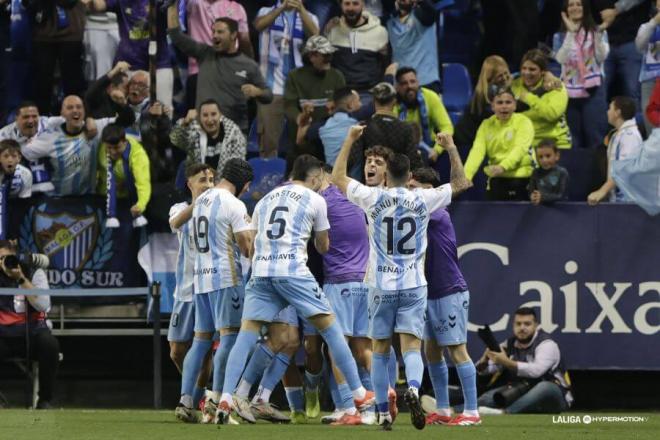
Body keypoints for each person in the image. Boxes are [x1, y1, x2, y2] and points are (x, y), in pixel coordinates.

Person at [215, 154, 374, 425]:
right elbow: (323, 245)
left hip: (262, 271)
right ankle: (358, 396)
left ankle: (226, 399)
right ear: (314, 178)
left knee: (247, 335)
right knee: (332, 329)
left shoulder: (265, 199)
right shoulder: (316, 199)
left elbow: (252, 244)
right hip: (293, 271)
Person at [332, 126, 472, 430]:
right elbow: (462, 182)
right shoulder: (423, 200)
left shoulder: (371, 197)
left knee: (380, 350)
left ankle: (383, 410)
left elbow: (338, 178)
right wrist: (449, 147)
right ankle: (412, 387)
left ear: (387, 175)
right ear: (408, 173)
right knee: (411, 347)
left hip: (380, 285)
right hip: (413, 285)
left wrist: (350, 141)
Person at [175, 158, 254, 423]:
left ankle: (185, 400)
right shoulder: (234, 204)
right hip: (226, 279)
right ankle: (216, 401)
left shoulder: (201, 201)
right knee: (229, 341)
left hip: (201, 280)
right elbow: (246, 248)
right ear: (245, 185)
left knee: (200, 342)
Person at [407, 166, 480, 427]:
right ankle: (443, 409)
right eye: (409, 188)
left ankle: (472, 411)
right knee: (432, 352)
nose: (410, 194)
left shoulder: (436, 213)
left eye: (415, 189)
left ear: (431, 192)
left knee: (458, 351)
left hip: (449, 290)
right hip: (427, 292)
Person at [167, 3, 273, 133]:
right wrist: (172, 6)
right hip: (205, 133)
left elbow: (268, 95)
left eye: (220, 32)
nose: (214, 36)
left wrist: (257, 92)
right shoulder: (204, 54)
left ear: (234, 35)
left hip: (234, 134)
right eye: (213, 32)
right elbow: (176, 36)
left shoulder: (248, 65)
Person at [168, 163, 215, 416]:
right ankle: (201, 392)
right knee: (176, 351)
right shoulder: (180, 208)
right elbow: (175, 223)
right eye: (202, 180)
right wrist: (199, 204)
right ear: (190, 184)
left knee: (205, 351)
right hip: (184, 292)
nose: (208, 184)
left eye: (211, 179)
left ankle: (192, 401)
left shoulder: (218, 210)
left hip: (207, 289)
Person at [21, 95, 127, 196]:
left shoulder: (96, 128)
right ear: (62, 113)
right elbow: (22, 152)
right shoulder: (50, 138)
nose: (75, 110)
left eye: (79, 107)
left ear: (84, 112)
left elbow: (128, 120)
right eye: (70, 107)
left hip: (88, 199)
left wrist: (122, 104)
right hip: (58, 199)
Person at [476, 307, 573, 415]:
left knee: (545, 387)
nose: (522, 328)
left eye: (527, 324)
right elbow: (488, 370)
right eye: (518, 324)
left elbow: (536, 371)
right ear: (513, 325)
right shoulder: (509, 344)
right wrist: (484, 360)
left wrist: (506, 361)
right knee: (490, 397)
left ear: (536, 325)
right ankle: (458, 410)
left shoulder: (547, 344)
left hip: (555, 398)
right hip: (524, 393)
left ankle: (506, 412)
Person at [254, 0, 319, 158]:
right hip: (270, 89)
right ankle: (269, 181)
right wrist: (282, 8)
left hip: (297, 92)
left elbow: (315, 35)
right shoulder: (265, 11)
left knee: (298, 143)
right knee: (269, 144)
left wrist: (300, 9)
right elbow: (258, 26)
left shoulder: (310, 16)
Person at [0, 240, 59, 409]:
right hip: (3, 335)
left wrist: (20, 279)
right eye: (0, 259)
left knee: (50, 345)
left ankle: (45, 400)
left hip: (32, 333)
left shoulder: (34, 272)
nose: (4, 263)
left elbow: (43, 305)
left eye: (7, 258)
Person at [90, 0, 174, 110]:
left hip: (159, 64)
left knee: (163, 110)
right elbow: (98, 5)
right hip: (128, 64)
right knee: (119, 108)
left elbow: (172, 15)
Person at [553, 0, 610, 149]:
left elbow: (601, 57)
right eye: (571, 5)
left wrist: (598, 35)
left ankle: (599, 171)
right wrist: (571, 33)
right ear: (566, 10)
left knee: (595, 136)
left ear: (585, 8)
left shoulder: (597, 31)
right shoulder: (559, 36)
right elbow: (561, 59)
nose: (575, 7)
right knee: (573, 138)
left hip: (594, 89)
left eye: (579, 4)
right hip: (569, 91)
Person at [464, 87, 535, 201]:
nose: (504, 106)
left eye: (508, 102)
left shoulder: (524, 122)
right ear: (492, 106)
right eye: (499, 102)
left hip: (522, 178)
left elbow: (520, 149)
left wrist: (503, 166)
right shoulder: (486, 125)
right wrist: (467, 176)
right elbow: (477, 151)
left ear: (515, 105)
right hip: (497, 178)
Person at [284, 35, 345, 164]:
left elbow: (344, 105)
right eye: (325, 55)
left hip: (327, 138)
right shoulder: (294, 76)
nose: (329, 59)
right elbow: (289, 105)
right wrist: (300, 117)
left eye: (330, 54)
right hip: (300, 138)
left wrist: (336, 107)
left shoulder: (336, 76)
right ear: (312, 56)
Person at [185, 0, 254, 110]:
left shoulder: (195, 3)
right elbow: (245, 41)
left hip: (202, 73)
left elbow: (245, 41)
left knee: (199, 121)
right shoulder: (237, 8)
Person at [348, 82, 421, 181]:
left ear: (374, 100)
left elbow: (351, 160)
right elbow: (414, 162)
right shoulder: (406, 128)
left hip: (370, 185)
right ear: (394, 101)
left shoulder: (363, 127)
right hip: (397, 185)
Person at [26, 0, 87, 114]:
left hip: (72, 32)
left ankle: (75, 122)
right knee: (42, 85)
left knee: (73, 84)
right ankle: (42, 123)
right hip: (42, 32)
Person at [170, 99, 246, 179]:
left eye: (213, 114)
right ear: (200, 117)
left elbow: (238, 168)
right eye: (205, 115)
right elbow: (175, 140)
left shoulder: (234, 134)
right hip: (198, 185)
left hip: (226, 186)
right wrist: (186, 122)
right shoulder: (194, 131)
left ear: (220, 115)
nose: (210, 120)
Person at [511, 49, 571, 150]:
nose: (527, 73)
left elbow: (551, 114)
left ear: (543, 71)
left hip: (555, 144)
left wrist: (528, 97)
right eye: (524, 68)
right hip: (525, 144)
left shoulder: (556, 86)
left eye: (532, 69)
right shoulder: (515, 85)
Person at [588, 96, 643, 204]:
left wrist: (602, 191)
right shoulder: (618, 134)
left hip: (628, 201)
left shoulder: (629, 136)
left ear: (617, 112)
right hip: (618, 199)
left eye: (610, 108)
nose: (607, 112)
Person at [593, 0, 650, 105]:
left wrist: (615, 11)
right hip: (604, 43)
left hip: (632, 42)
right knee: (599, 91)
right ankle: (603, 121)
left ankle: (634, 121)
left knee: (632, 91)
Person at [326, 0, 389, 93]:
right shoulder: (333, 29)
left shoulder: (380, 31)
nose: (351, 8)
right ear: (341, 6)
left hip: (369, 93)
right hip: (341, 93)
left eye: (355, 3)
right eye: (347, 4)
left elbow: (384, 64)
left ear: (363, 5)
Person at [394, 66, 454, 160]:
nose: (409, 86)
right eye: (404, 83)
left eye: (412, 81)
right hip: (401, 153)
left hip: (428, 149)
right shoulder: (392, 103)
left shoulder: (430, 97)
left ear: (418, 83)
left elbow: (447, 127)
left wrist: (436, 150)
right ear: (397, 87)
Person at [96, 124, 151, 224]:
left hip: (128, 202)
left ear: (125, 142)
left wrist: (140, 205)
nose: (112, 152)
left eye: (117, 147)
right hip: (102, 199)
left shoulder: (138, 155)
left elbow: (143, 183)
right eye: (109, 148)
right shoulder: (101, 148)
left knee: (123, 236)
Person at [454, 56, 512, 150]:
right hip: (466, 144)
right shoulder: (483, 97)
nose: (505, 78)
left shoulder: (503, 90)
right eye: (500, 76)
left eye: (506, 73)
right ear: (490, 79)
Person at [387, 0, 442, 93]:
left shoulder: (423, 15)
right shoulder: (389, 21)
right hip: (400, 85)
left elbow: (431, 12)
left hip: (426, 83)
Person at [316, 88, 361, 165]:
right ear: (350, 104)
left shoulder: (323, 126)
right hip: (351, 175)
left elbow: (301, 138)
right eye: (358, 101)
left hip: (331, 173)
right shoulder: (357, 123)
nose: (361, 104)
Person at [635, 0, 660, 133]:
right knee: (650, 124)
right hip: (649, 81)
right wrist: (654, 22)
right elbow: (639, 46)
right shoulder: (647, 26)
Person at [528, 139, 570, 205]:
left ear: (557, 156)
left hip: (559, 211)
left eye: (548, 156)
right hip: (540, 210)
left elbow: (562, 196)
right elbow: (531, 191)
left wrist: (542, 197)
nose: (544, 160)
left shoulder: (562, 173)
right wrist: (533, 196)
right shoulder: (535, 172)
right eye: (540, 157)